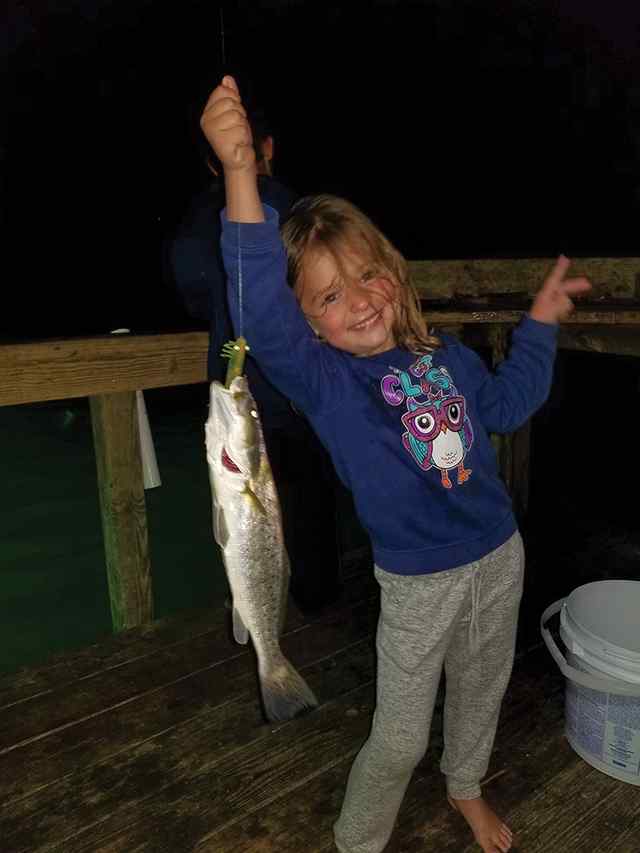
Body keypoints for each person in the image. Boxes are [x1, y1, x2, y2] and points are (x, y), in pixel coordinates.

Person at [201, 75, 591, 853]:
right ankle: (357, 839)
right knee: (400, 732)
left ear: (394, 268)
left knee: (482, 690)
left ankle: (466, 785)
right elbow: (257, 309)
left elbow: (508, 405)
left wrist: (539, 324)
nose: (360, 301)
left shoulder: (444, 355)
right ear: (309, 322)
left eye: (367, 275)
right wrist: (242, 172)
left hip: (498, 556)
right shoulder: (328, 384)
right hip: (417, 581)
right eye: (330, 297)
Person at [170, 96, 342, 613]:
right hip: (293, 397)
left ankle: (257, 606)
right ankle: (318, 602)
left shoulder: (195, 220)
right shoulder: (297, 207)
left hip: (233, 396)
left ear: (210, 162)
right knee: (307, 501)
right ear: (269, 147)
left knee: (242, 517)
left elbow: (191, 293)